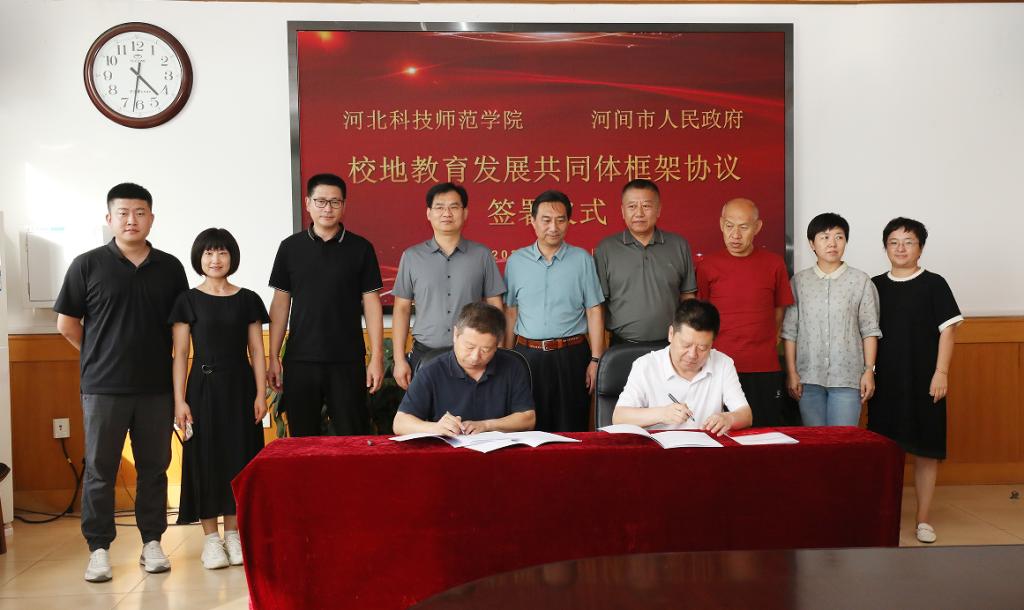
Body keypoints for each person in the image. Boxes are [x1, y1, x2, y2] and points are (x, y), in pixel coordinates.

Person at [54, 183, 188, 582]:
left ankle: (152, 542)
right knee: (100, 470)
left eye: (140, 212)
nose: (132, 220)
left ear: (151, 218)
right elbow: (66, 324)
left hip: (156, 388)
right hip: (103, 388)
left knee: (155, 468)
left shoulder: (170, 268)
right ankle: (98, 549)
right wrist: (98, 353)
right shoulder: (86, 265)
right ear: (109, 218)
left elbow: (181, 328)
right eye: (124, 213)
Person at [170, 228, 269, 569]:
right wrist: (179, 401)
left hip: (241, 387)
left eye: (222, 252)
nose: (216, 259)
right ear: (199, 258)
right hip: (202, 388)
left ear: (232, 257)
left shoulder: (248, 299)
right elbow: (180, 354)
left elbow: (257, 350)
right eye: (209, 253)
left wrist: (261, 393)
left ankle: (234, 536)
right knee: (205, 459)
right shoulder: (187, 300)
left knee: (240, 457)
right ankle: (211, 540)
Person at [267, 173, 385, 436]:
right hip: (300, 360)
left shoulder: (361, 248)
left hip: (347, 360)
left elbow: (372, 305)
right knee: (302, 439)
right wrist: (273, 357)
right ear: (308, 203)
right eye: (320, 201)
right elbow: (280, 305)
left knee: (352, 435)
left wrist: (377, 357)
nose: (327, 208)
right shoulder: (290, 248)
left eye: (334, 202)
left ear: (344, 205)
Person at [869, 217, 962, 544]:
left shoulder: (934, 284)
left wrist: (941, 372)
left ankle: (923, 520)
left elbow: (948, 331)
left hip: (926, 381)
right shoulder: (874, 285)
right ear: (885, 247)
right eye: (894, 242)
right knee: (885, 453)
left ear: (920, 248)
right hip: (885, 383)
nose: (901, 248)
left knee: (926, 451)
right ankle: (885, 519)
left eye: (908, 242)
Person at [504, 190, 605, 432]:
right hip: (528, 356)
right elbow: (510, 312)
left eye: (560, 220)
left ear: (568, 222)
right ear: (533, 221)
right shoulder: (516, 261)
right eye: (546, 220)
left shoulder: (582, 260)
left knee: (572, 427)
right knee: (529, 427)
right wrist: (506, 357)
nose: (553, 227)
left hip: (571, 355)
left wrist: (596, 359)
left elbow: (594, 310)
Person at [391, 182, 506, 389]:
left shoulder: (482, 255)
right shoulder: (412, 257)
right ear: (429, 213)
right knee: (426, 410)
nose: (447, 213)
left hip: (473, 357)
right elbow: (401, 309)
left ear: (465, 213)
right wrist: (399, 360)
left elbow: (495, 305)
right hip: (426, 354)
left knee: (474, 409)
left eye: (454, 207)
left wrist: (498, 350)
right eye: (440, 207)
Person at [697, 198, 794, 427]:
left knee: (765, 432)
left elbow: (779, 311)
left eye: (743, 227)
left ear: (757, 227)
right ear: (721, 224)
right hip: (719, 366)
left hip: (764, 366)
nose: (735, 234)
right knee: (720, 432)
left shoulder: (774, 264)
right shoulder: (707, 265)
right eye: (729, 226)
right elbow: (703, 315)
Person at [781, 213, 881, 426]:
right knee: (815, 442)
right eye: (824, 237)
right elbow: (790, 331)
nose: (832, 243)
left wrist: (868, 371)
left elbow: (870, 330)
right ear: (812, 243)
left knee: (843, 441)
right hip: (808, 378)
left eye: (839, 237)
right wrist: (792, 372)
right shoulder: (799, 282)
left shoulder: (860, 281)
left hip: (848, 378)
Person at [612, 299, 753, 435]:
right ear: (671, 334)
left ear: (712, 343)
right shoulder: (646, 366)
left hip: (705, 447)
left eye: (702, 348)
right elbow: (619, 417)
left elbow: (746, 415)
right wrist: (662, 414)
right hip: (659, 448)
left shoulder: (723, 364)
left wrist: (729, 419)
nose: (692, 355)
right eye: (686, 345)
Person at [393, 303, 535, 435]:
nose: (475, 357)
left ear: (497, 344)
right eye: (469, 347)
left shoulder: (512, 366)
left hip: (499, 451)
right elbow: (400, 423)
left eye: (485, 350)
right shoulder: (431, 370)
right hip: (448, 451)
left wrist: (487, 425)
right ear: (456, 334)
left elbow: (528, 419)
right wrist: (435, 428)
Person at [594, 179, 696, 345]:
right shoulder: (606, 249)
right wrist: (598, 353)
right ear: (622, 211)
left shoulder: (678, 245)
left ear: (658, 210)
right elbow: (598, 306)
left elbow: (688, 297)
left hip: (670, 345)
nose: (639, 213)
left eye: (646, 206)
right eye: (632, 206)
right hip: (623, 345)